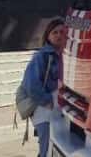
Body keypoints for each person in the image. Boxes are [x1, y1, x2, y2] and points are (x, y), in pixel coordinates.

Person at [21, 18, 65, 157]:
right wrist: (47, 101)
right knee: (46, 149)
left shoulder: (66, 56)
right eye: (55, 32)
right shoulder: (42, 56)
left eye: (62, 32)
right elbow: (31, 85)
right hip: (44, 110)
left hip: (59, 110)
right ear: (48, 36)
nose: (59, 35)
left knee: (53, 148)